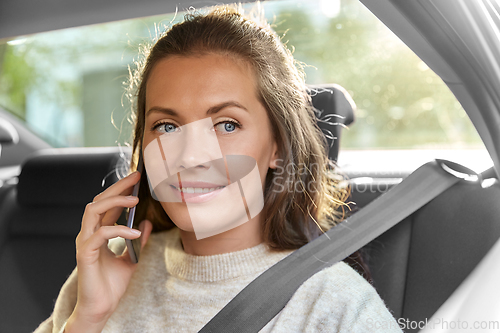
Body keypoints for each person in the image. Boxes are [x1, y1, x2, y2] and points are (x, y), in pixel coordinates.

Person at [35, 5, 402, 333]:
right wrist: (88, 318)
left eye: (227, 125)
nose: (192, 157)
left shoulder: (335, 307)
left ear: (278, 146)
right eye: (166, 127)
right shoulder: (104, 270)